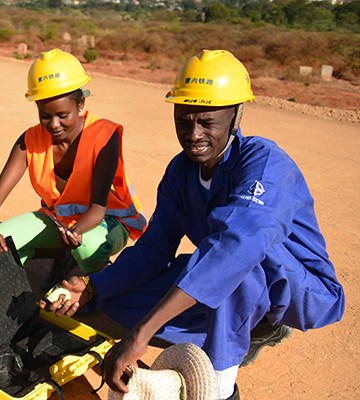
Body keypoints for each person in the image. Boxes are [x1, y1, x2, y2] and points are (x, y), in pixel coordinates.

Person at [40, 49, 345, 399]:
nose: (193, 134)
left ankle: (219, 386)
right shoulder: (181, 171)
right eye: (184, 121)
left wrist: (141, 335)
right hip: (222, 277)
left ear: (235, 116)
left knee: (238, 263)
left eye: (206, 122)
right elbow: (155, 249)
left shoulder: (265, 165)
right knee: (113, 300)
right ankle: (228, 332)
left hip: (292, 287)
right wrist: (94, 286)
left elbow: (236, 248)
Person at [0, 48, 147, 286]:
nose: (53, 124)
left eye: (63, 115)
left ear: (81, 104)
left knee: (87, 246)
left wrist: (74, 233)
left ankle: (92, 283)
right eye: (45, 115)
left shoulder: (105, 136)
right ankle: (50, 262)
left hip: (107, 222)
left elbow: (98, 208)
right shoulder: (29, 140)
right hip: (61, 224)